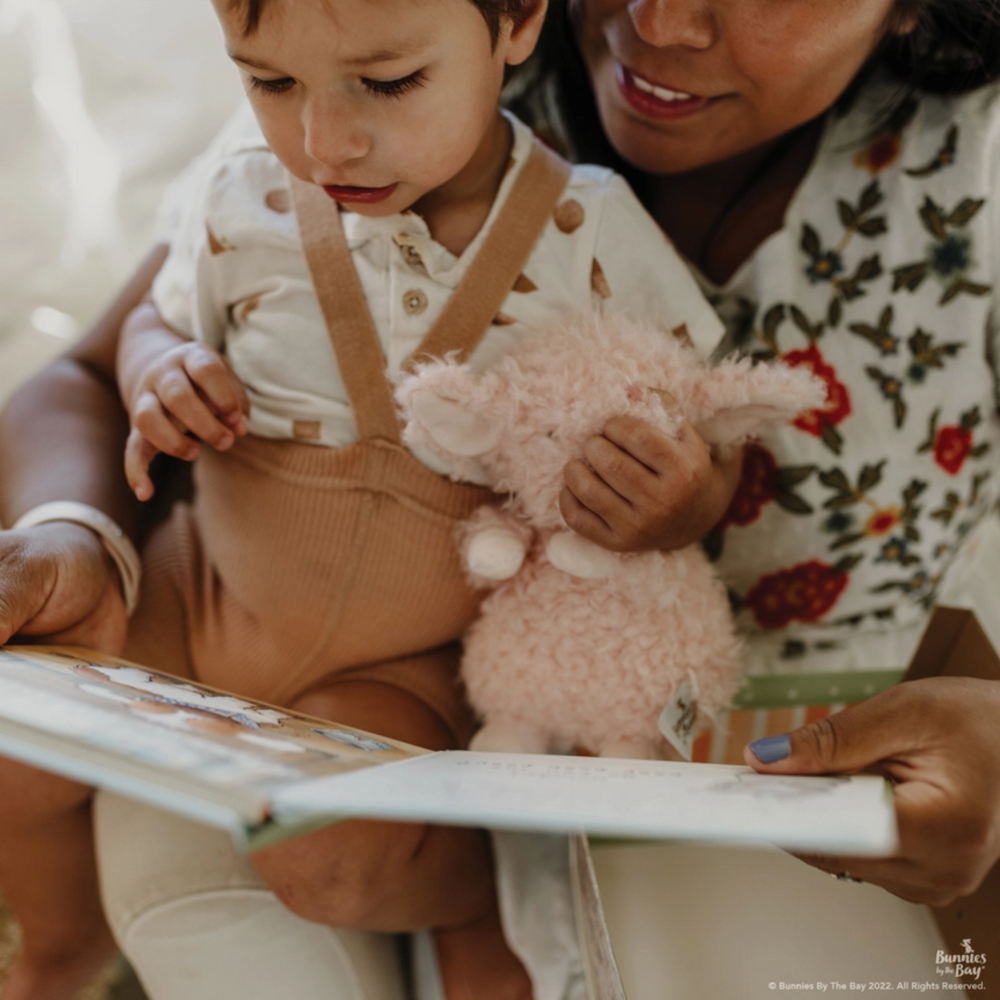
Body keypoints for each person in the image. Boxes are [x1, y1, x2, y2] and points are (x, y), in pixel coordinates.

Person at [2, 0, 1000, 995]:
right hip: (342, 686)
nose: (658, 20)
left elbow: (712, 450)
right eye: (271, 86)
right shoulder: (346, 72)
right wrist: (75, 521)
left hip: (737, 794)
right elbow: (110, 360)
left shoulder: (968, 178)